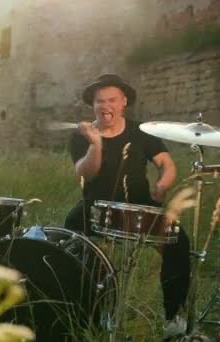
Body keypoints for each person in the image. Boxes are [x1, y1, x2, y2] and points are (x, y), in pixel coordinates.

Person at [64, 74, 191, 339]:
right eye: (100, 101)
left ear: (123, 102)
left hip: (141, 205)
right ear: (93, 105)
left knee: (178, 242)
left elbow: (166, 164)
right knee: (71, 234)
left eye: (111, 100)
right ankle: (86, 312)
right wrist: (96, 143)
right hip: (95, 205)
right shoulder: (81, 135)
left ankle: (173, 318)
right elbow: (86, 173)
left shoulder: (141, 132)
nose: (105, 105)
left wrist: (163, 184)